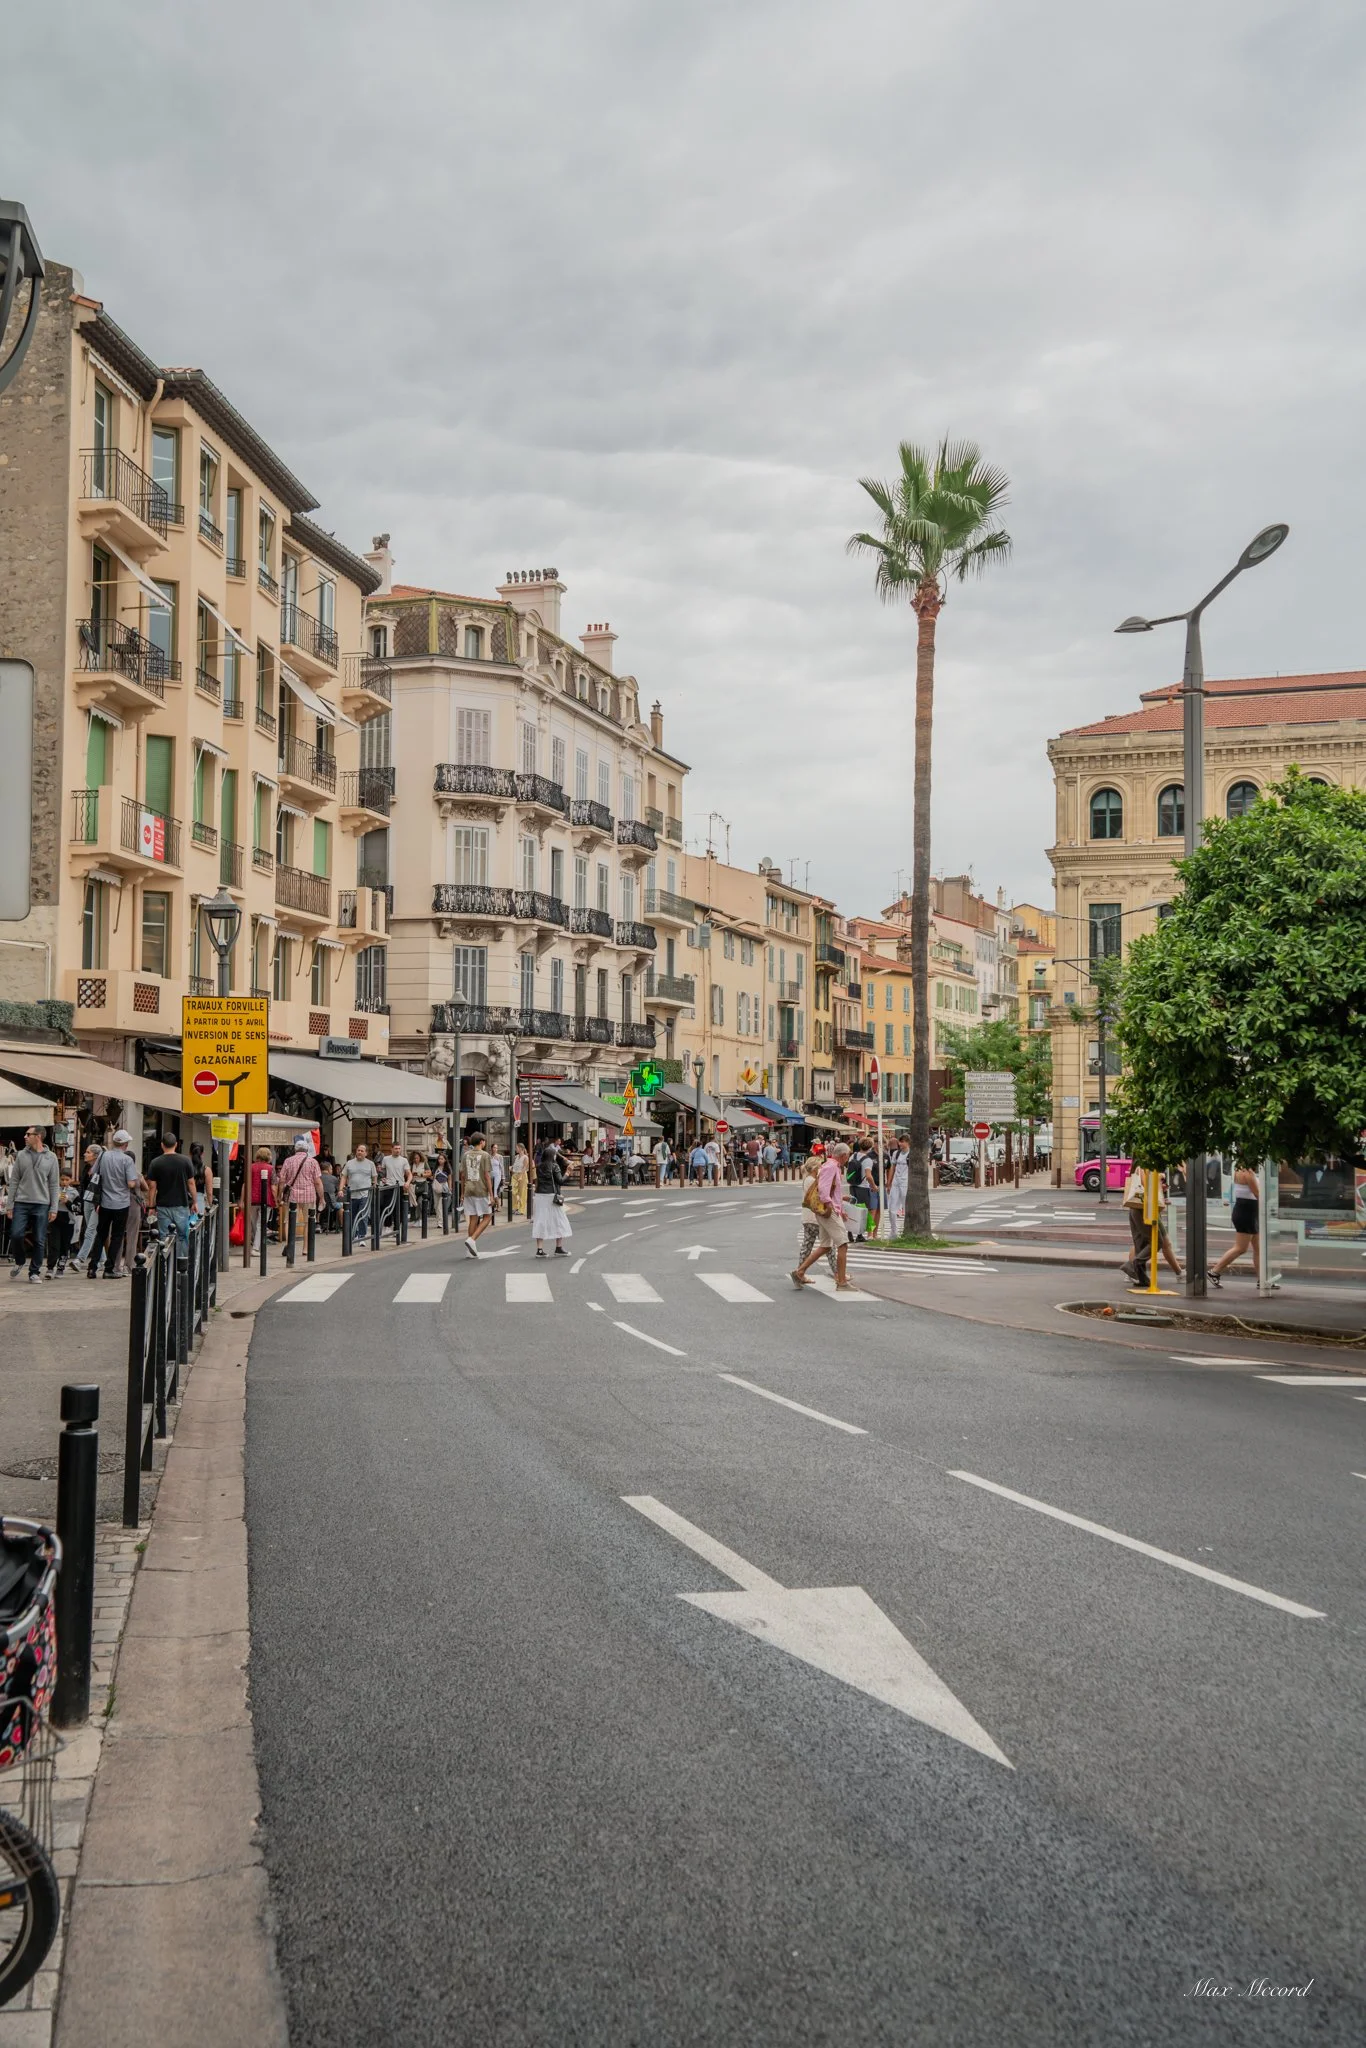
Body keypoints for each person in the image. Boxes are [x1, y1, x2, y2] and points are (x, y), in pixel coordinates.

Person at [791, 1142, 855, 1290]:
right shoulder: (831, 1166)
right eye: (848, 1155)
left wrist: (840, 1209)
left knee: (825, 1246)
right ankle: (841, 1282)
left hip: (829, 1210)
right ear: (843, 1155)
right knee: (843, 1244)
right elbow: (825, 1191)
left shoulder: (831, 1166)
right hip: (828, 1210)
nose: (848, 1158)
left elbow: (833, 1192)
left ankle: (799, 1272)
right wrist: (832, 1207)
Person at [86, 1130, 144, 1280]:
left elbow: (92, 1172)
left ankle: (92, 1268)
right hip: (121, 1203)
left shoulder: (104, 1156)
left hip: (104, 1201)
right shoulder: (127, 1160)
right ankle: (109, 1269)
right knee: (117, 1236)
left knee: (101, 1234)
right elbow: (131, 1183)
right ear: (125, 1144)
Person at [5, 1127, 60, 1283]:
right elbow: (14, 1180)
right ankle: (20, 1260)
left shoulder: (51, 1157)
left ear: (39, 1136)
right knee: (16, 1234)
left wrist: (54, 1207)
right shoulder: (21, 1155)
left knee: (39, 1238)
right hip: (21, 1202)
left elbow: (54, 1184)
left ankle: (34, 1272)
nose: (25, 1137)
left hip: (42, 1203)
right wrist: (10, 1205)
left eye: (28, 1134)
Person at [1121, 1165, 1183, 1286]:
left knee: (1141, 1243)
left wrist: (1160, 1187)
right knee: (1157, 1242)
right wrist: (1159, 1180)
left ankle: (1140, 1277)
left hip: (1140, 1208)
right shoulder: (1145, 1167)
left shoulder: (1143, 1166)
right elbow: (1148, 1189)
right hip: (1143, 1209)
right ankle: (1133, 1264)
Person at [144, 1132, 198, 1261]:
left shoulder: (155, 1162)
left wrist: (151, 1206)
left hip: (163, 1205)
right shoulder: (185, 1161)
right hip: (181, 1204)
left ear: (162, 1145)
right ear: (176, 1144)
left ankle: (166, 1264)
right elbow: (191, 1183)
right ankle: (182, 1263)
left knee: (164, 1236)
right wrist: (195, 1201)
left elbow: (152, 1187)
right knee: (182, 1235)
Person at [1211, 1164, 1260, 1286]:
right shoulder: (1247, 1172)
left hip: (1248, 1211)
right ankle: (1214, 1271)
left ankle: (1262, 1279)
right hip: (1246, 1212)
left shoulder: (1242, 1170)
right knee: (1240, 1248)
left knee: (1259, 1248)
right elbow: (1258, 1193)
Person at [795, 1144, 837, 1278]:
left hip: (807, 1218)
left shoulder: (807, 1179)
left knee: (807, 1246)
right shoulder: (812, 1181)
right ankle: (838, 1273)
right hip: (816, 1218)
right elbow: (820, 1196)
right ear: (815, 1168)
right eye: (820, 1167)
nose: (822, 1169)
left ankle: (800, 1271)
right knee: (828, 1245)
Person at [531, 1141, 573, 1257]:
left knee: (540, 1221)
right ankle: (558, 1248)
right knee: (559, 1220)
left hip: (540, 1196)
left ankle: (539, 1250)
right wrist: (568, 1172)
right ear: (553, 1156)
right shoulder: (554, 1166)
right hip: (552, 1196)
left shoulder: (539, 1167)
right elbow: (560, 1181)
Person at [277, 1137, 324, 1229]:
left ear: (295, 1149)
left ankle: (289, 1243)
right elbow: (318, 1182)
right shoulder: (313, 1162)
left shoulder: (288, 1161)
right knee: (309, 1221)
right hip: (309, 1195)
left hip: (292, 1195)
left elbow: (282, 1180)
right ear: (307, 1149)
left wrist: (279, 1195)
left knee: (289, 1221)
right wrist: (321, 1198)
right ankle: (306, 1244)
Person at [460, 1133, 495, 1256]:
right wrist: (491, 1194)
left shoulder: (465, 1155)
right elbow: (487, 1175)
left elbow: (462, 1175)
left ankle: (470, 1249)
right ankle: (472, 1239)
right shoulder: (485, 1155)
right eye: (484, 1141)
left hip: (469, 1189)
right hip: (481, 1190)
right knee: (488, 1216)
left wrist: (462, 1193)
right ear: (481, 1142)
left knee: (473, 1217)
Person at [45, 1169, 80, 1277]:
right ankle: (50, 1268)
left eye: (67, 1180)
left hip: (68, 1221)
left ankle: (61, 1267)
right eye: (62, 1179)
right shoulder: (54, 1190)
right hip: (54, 1220)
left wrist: (68, 1202)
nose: (64, 1182)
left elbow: (78, 1209)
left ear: (71, 1180)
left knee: (65, 1245)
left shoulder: (74, 1192)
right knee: (54, 1244)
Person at [341, 1144, 377, 1243]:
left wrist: (373, 1187)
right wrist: (340, 1189)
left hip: (365, 1194)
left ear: (366, 1153)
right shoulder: (349, 1163)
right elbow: (344, 1176)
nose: (360, 1152)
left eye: (362, 1151)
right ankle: (354, 1234)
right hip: (352, 1194)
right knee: (352, 1215)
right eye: (358, 1150)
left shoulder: (370, 1164)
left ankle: (362, 1236)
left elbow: (374, 1178)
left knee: (363, 1215)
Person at [249, 1147, 276, 1253]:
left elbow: (245, 1184)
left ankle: (256, 1244)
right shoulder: (270, 1168)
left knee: (254, 1223)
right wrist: (276, 1199)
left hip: (252, 1199)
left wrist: (242, 1199)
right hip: (266, 1199)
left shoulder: (251, 1167)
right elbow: (273, 1187)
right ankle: (256, 1247)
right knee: (261, 1224)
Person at [884, 1134, 910, 1240]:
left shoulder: (911, 1154)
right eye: (900, 1142)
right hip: (896, 1183)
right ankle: (893, 1231)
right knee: (892, 1209)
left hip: (906, 1183)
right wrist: (889, 1183)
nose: (900, 1144)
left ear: (908, 1142)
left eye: (902, 1142)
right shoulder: (896, 1153)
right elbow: (892, 1168)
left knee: (906, 1208)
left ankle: (906, 1230)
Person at [511, 1141, 530, 1218]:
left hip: (522, 1175)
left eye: (517, 1148)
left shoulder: (525, 1157)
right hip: (515, 1174)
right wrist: (511, 1168)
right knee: (513, 1191)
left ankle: (521, 1209)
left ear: (521, 1148)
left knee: (522, 1192)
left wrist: (521, 1176)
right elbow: (515, 1166)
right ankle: (515, 1207)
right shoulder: (516, 1157)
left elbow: (525, 1167)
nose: (516, 1149)